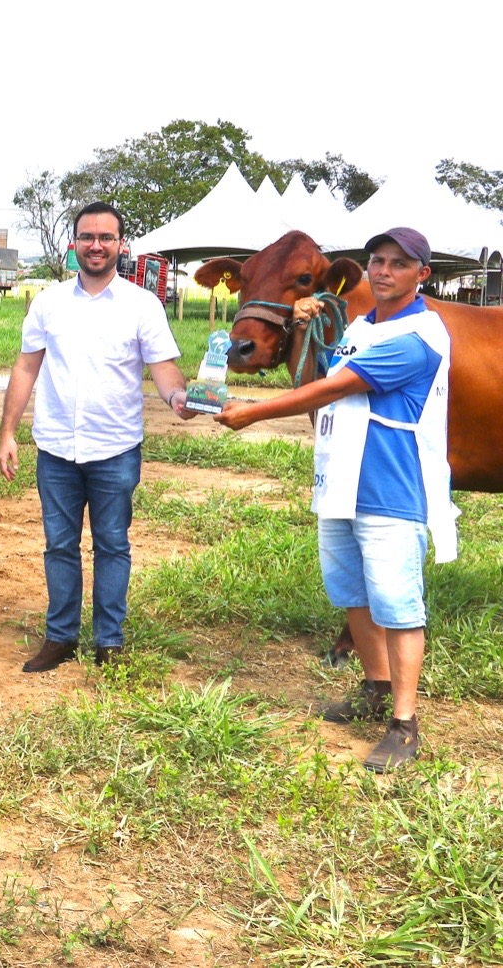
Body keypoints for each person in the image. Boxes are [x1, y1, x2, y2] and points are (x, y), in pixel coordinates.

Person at [217, 227, 453, 772]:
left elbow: (334, 387)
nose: (384, 271)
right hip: (340, 482)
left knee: (397, 604)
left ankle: (404, 722)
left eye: (399, 263)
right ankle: (374, 685)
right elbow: (323, 368)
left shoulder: (422, 335)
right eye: (377, 261)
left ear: (423, 275)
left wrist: (253, 411)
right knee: (352, 591)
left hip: (391, 488)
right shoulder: (359, 328)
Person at [0, 201, 194, 672]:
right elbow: (27, 367)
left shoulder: (141, 304)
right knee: (59, 545)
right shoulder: (48, 302)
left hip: (115, 449)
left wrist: (178, 399)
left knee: (112, 544)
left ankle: (110, 640)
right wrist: (8, 432)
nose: (96, 245)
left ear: (120, 245)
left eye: (106, 237)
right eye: (88, 237)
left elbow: (164, 370)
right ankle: (60, 638)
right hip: (56, 449)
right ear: (74, 243)